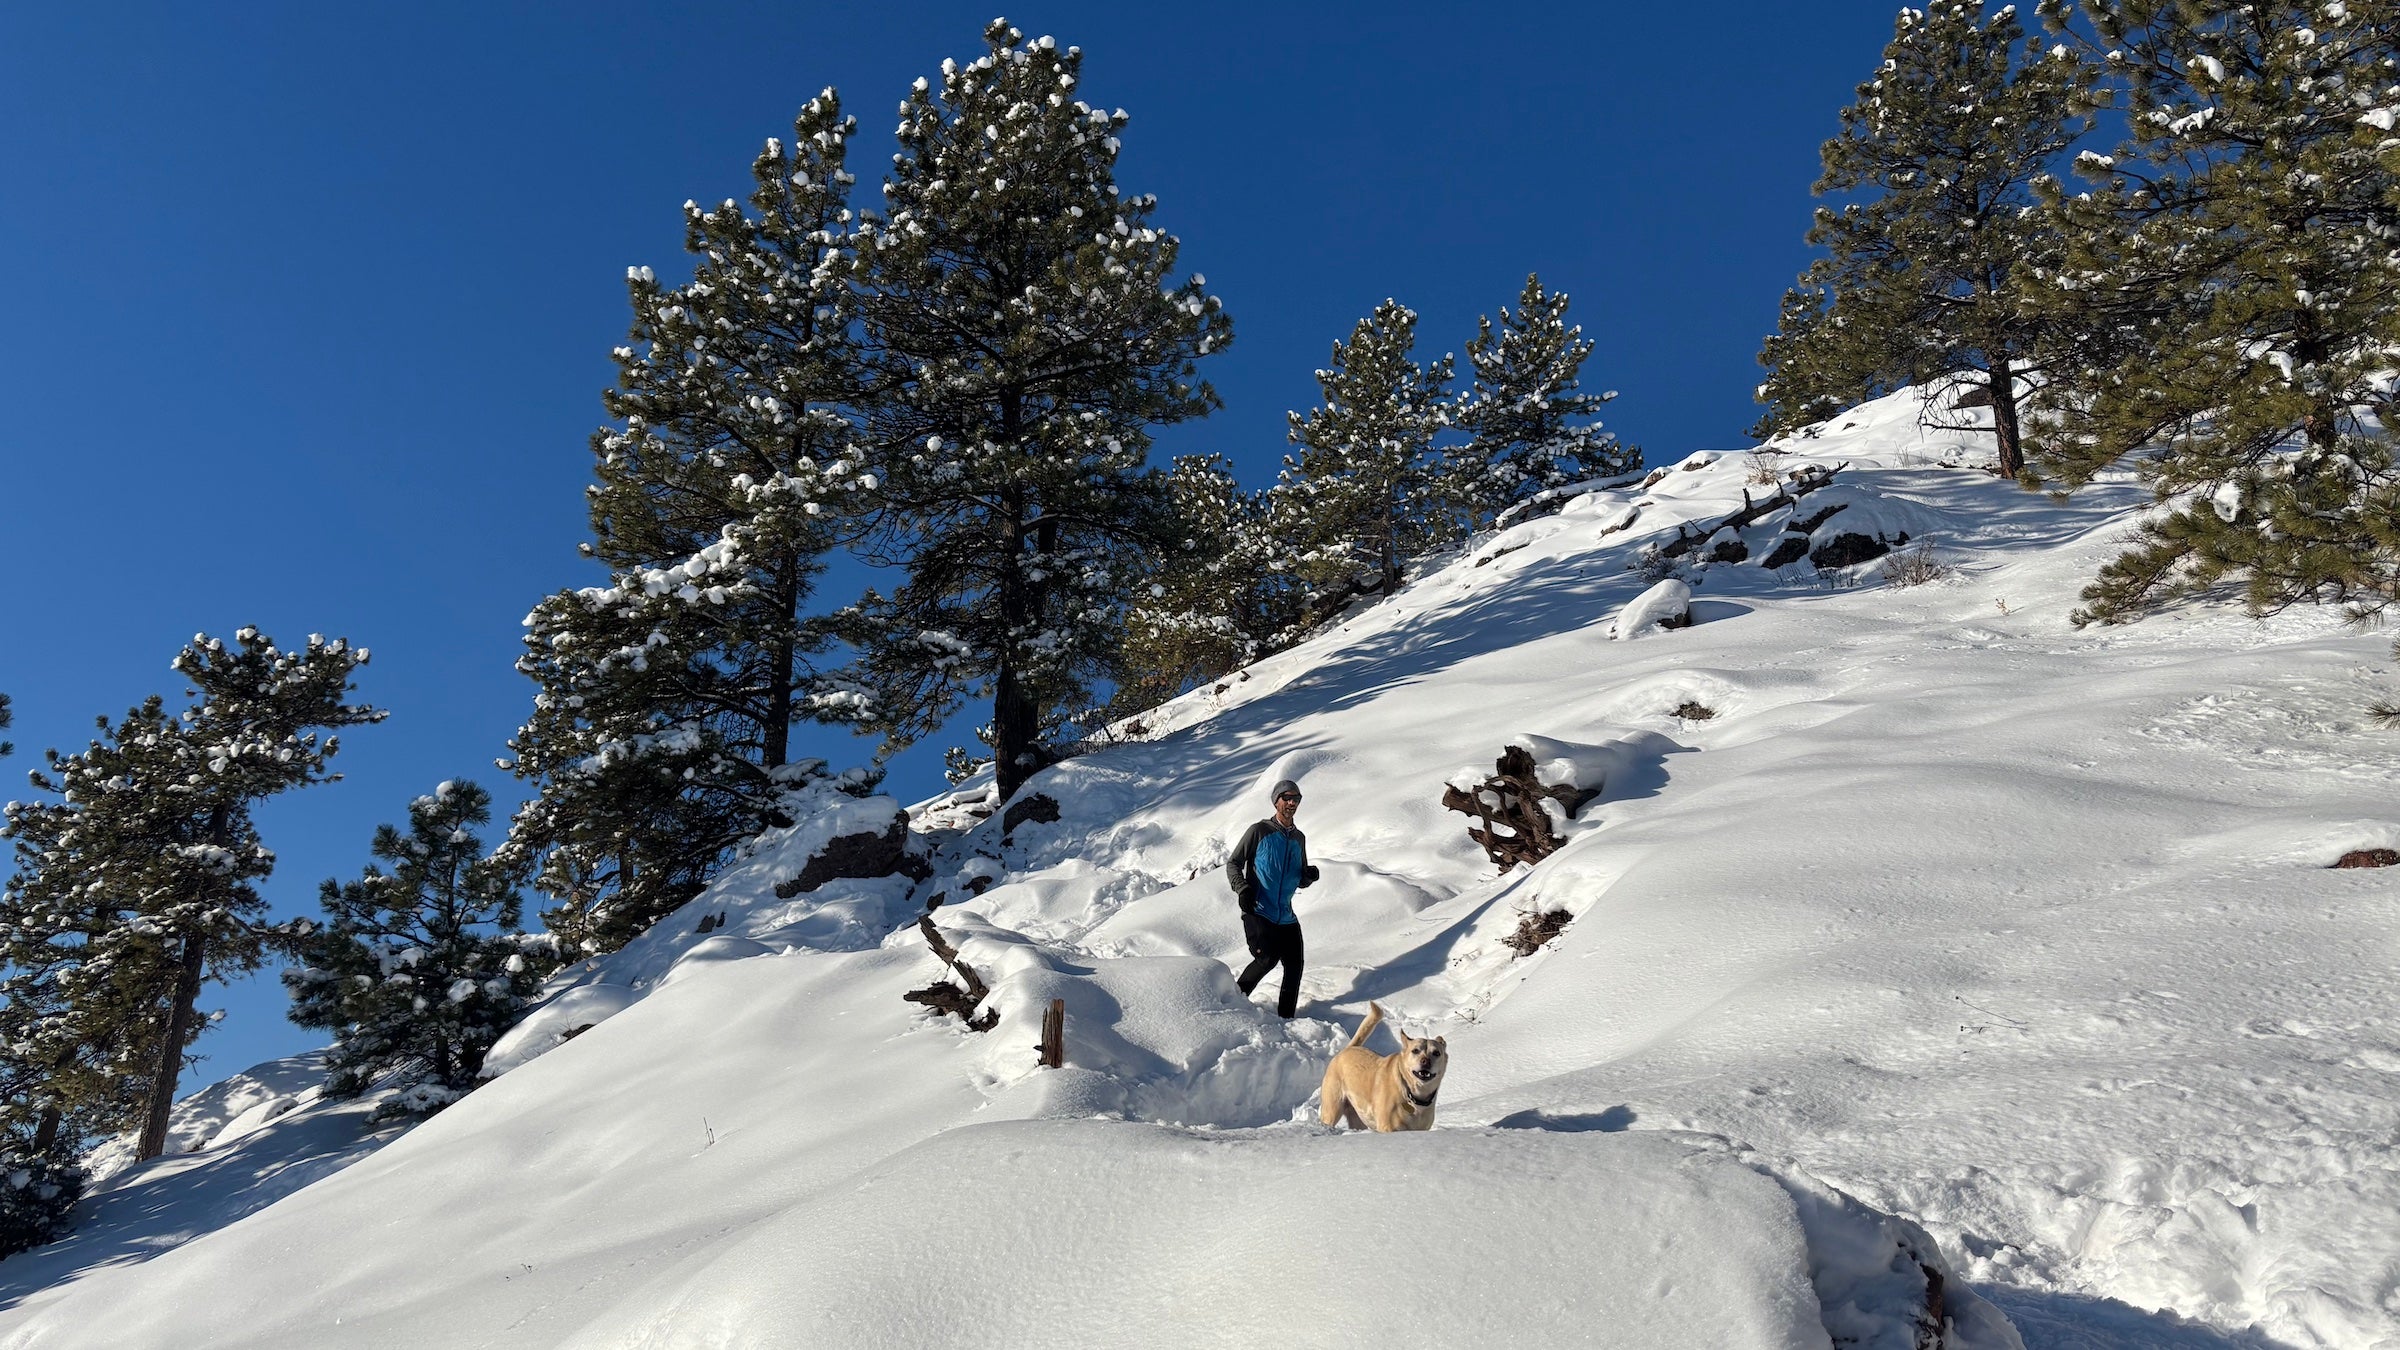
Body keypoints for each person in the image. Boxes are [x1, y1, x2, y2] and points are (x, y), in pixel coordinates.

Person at [1224, 778, 1320, 1018]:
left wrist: (1308, 877)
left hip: (1285, 915)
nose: (1291, 803)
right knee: (1266, 959)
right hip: (1259, 910)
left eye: (1295, 799)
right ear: (1276, 801)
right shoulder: (1259, 831)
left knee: (1295, 966)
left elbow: (1299, 877)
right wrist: (1242, 889)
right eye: (1286, 798)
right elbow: (1233, 863)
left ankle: (1286, 1018)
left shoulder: (1299, 839)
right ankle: (1233, 1004)